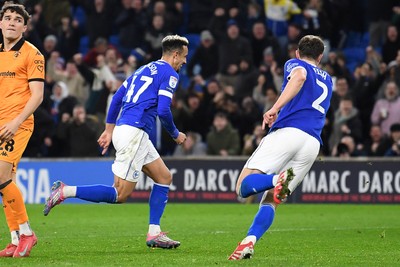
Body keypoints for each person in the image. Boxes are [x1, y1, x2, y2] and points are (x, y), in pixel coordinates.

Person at [43, 35, 188, 249]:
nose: (184, 62)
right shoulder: (170, 74)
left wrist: (109, 129)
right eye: (184, 57)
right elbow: (164, 109)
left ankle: (154, 233)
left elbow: (118, 97)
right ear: (175, 54)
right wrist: (175, 133)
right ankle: (64, 191)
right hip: (134, 133)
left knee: (164, 177)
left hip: (126, 130)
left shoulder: (143, 69)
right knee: (120, 194)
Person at [228, 35, 333, 260]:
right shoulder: (328, 79)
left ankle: (277, 179)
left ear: (297, 53)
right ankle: (249, 241)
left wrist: (274, 108)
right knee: (272, 200)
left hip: (288, 134)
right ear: (321, 57)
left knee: (242, 188)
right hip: (312, 144)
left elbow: (300, 76)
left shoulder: (295, 64)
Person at [0, 3, 44, 257]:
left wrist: (16, 122)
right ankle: (15, 239)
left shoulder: (33, 54)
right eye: (8, 18)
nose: (12, 22)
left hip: (18, 124)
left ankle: (27, 233)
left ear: (25, 27)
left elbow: (37, 96)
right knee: (7, 182)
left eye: (18, 19)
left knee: (1, 176)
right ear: (1, 23)